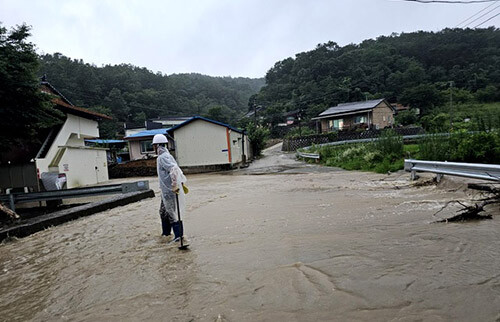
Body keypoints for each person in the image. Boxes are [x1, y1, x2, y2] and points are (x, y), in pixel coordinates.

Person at [152, 134, 187, 243]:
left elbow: (174, 169)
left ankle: (178, 236)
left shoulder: (163, 157)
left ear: (157, 146)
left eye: (154, 146)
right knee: (163, 211)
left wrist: (175, 185)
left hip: (169, 190)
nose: (153, 148)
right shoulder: (163, 156)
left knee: (171, 212)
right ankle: (166, 234)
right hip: (165, 190)